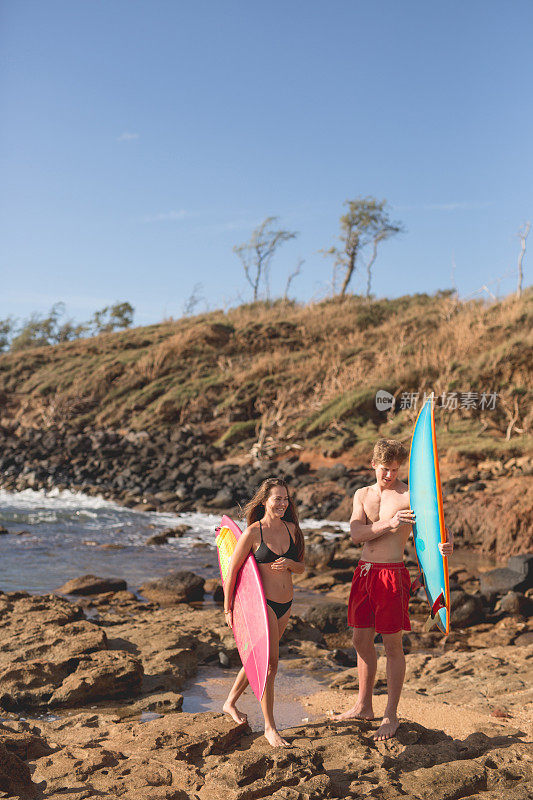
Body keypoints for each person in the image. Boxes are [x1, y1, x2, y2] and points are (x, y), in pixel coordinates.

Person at [332, 438, 453, 740]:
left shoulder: (410, 497)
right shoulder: (361, 495)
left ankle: (391, 714)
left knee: (392, 646)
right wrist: (390, 523)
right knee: (360, 640)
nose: (390, 476)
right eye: (385, 469)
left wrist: (446, 546)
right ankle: (363, 706)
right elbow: (356, 534)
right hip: (363, 573)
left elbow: (439, 528)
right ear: (373, 464)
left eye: (396, 470)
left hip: (392, 575)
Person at [222, 477, 305, 747]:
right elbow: (232, 572)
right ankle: (270, 727)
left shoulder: (292, 528)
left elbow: (302, 567)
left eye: (285, 499)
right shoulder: (253, 533)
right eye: (276, 498)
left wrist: (290, 564)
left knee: (260, 658)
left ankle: (230, 702)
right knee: (270, 664)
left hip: (286, 604)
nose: (282, 503)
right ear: (265, 501)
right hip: (263, 605)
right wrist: (228, 607)